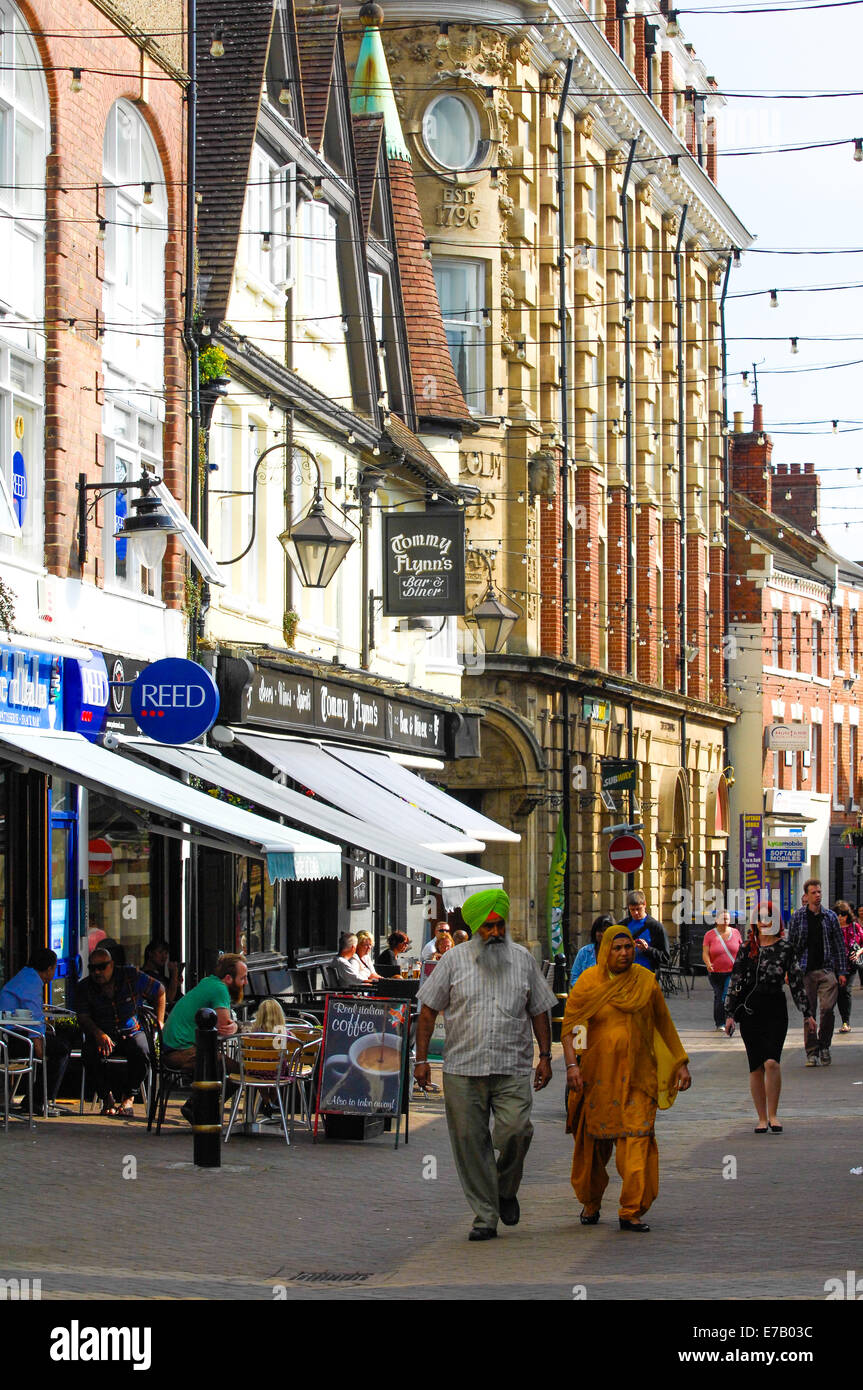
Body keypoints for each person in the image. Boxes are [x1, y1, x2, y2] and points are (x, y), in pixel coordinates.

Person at [414, 887, 557, 1241]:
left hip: (512, 1065)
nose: (494, 932)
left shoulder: (523, 959)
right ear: (476, 927)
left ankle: (505, 1190)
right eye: (488, 927)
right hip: (463, 1067)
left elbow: (540, 1010)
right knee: (469, 1142)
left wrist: (547, 1056)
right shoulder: (453, 961)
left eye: (499, 925)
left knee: (517, 1131)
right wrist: (420, 1061)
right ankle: (485, 1216)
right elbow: (428, 1010)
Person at [562, 925, 691, 1233]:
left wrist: (681, 1064)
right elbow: (572, 1028)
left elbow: (664, 1025)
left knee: (638, 1140)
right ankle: (591, 1202)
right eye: (617, 948)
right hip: (598, 1079)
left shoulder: (646, 983)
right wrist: (572, 1066)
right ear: (606, 950)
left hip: (638, 1078)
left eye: (628, 947)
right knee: (593, 1147)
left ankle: (631, 1210)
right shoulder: (588, 984)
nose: (623, 953)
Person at [724, 908, 814, 1132]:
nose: (764, 923)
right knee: (756, 1066)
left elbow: (795, 981)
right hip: (751, 1010)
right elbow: (735, 980)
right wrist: (729, 1014)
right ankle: (761, 1118)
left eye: (769, 918)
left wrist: (807, 1013)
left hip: (775, 1008)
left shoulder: (785, 948)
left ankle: (773, 1114)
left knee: (772, 1062)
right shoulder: (747, 949)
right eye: (760, 919)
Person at [76, 946, 166, 1117]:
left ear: (112, 965)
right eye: (92, 968)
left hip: (131, 1030)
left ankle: (129, 1097)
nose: (97, 972)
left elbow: (160, 991)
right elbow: (83, 1017)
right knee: (89, 1053)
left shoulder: (130, 976)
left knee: (143, 1050)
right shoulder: (85, 987)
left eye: (102, 967)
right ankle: (106, 1097)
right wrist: (98, 1033)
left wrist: (160, 1021)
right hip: (103, 1032)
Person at [0, 948, 73, 1116]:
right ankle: (38, 1100)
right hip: (11, 1038)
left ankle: (35, 1098)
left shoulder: (25, 976)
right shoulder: (31, 981)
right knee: (61, 1049)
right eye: (54, 969)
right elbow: (33, 1012)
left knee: (56, 1044)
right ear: (49, 969)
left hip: (11, 1034)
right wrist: (38, 1042)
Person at [787, 879, 846, 1066]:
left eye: (819, 891)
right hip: (805, 971)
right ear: (806, 895)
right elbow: (792, 946)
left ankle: (825, 1045)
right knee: (809, 1013)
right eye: (814, 892)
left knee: (828, 1009)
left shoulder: (830, 917)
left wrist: (842, 971)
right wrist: (789, 970)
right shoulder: (798, 917)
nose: (818, 895)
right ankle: (812, 1052)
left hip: (827, 969)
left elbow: (839, 945)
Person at [701, 910, 743, 1030]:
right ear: (716, 920)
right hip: (715, 972)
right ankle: (719, 1022)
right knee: (718, 996)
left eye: (727, 919)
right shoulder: (709, 935)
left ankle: (726, 1021)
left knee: (725, 995)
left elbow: (741, 950)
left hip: (731, 971)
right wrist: (708, 963)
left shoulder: (736, 933)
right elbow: (705, 953)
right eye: (723, 919)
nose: (726, 921)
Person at [623, 890, 670, 973]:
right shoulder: (623, 925)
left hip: (648, 975)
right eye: (632, 910)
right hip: (626, 974)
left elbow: (665, 958)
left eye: (638, 909)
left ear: (645, 904)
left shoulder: (656, 927)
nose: (635, 913)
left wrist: (647, 949)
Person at [835, 901, 863, 1032]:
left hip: (851, 965)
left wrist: (858, 952)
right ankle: (842, 1019)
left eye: (843, 914)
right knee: (839, 992)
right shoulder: (832, 928)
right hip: (836, 965)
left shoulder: (855, 926)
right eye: (838, 914)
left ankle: (846, 1021)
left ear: (848, 915)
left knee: (845, 990)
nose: (840, 917)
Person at [570, 915, 614, 987]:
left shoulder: (618, 953)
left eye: (606, 931)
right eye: (600, 931)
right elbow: (574, 978)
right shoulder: (584, 952)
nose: (603, 934)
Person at [141, 940, 183, 1006]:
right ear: (150, 953)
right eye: (160, 952)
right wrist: (174, 974)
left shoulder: (159, 975)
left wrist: (175, 982)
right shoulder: (146, 976)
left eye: (166, 953)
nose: (164, 956)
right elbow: (168, 999)